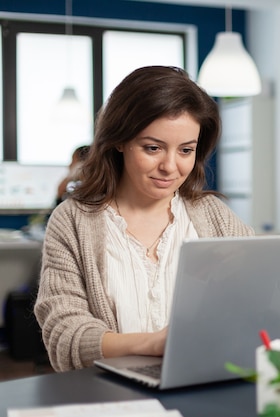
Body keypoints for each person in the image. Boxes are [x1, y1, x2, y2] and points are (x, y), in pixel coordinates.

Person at [34, 66, 254, 372]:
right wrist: (153, 344)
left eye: (186, 150)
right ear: (120, 140)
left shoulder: (214, 216)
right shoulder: (72, 221)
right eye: (153, 148)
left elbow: (260, 300)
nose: (170, 166)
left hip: (203, 384)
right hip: (109, 396)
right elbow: (64, 335)